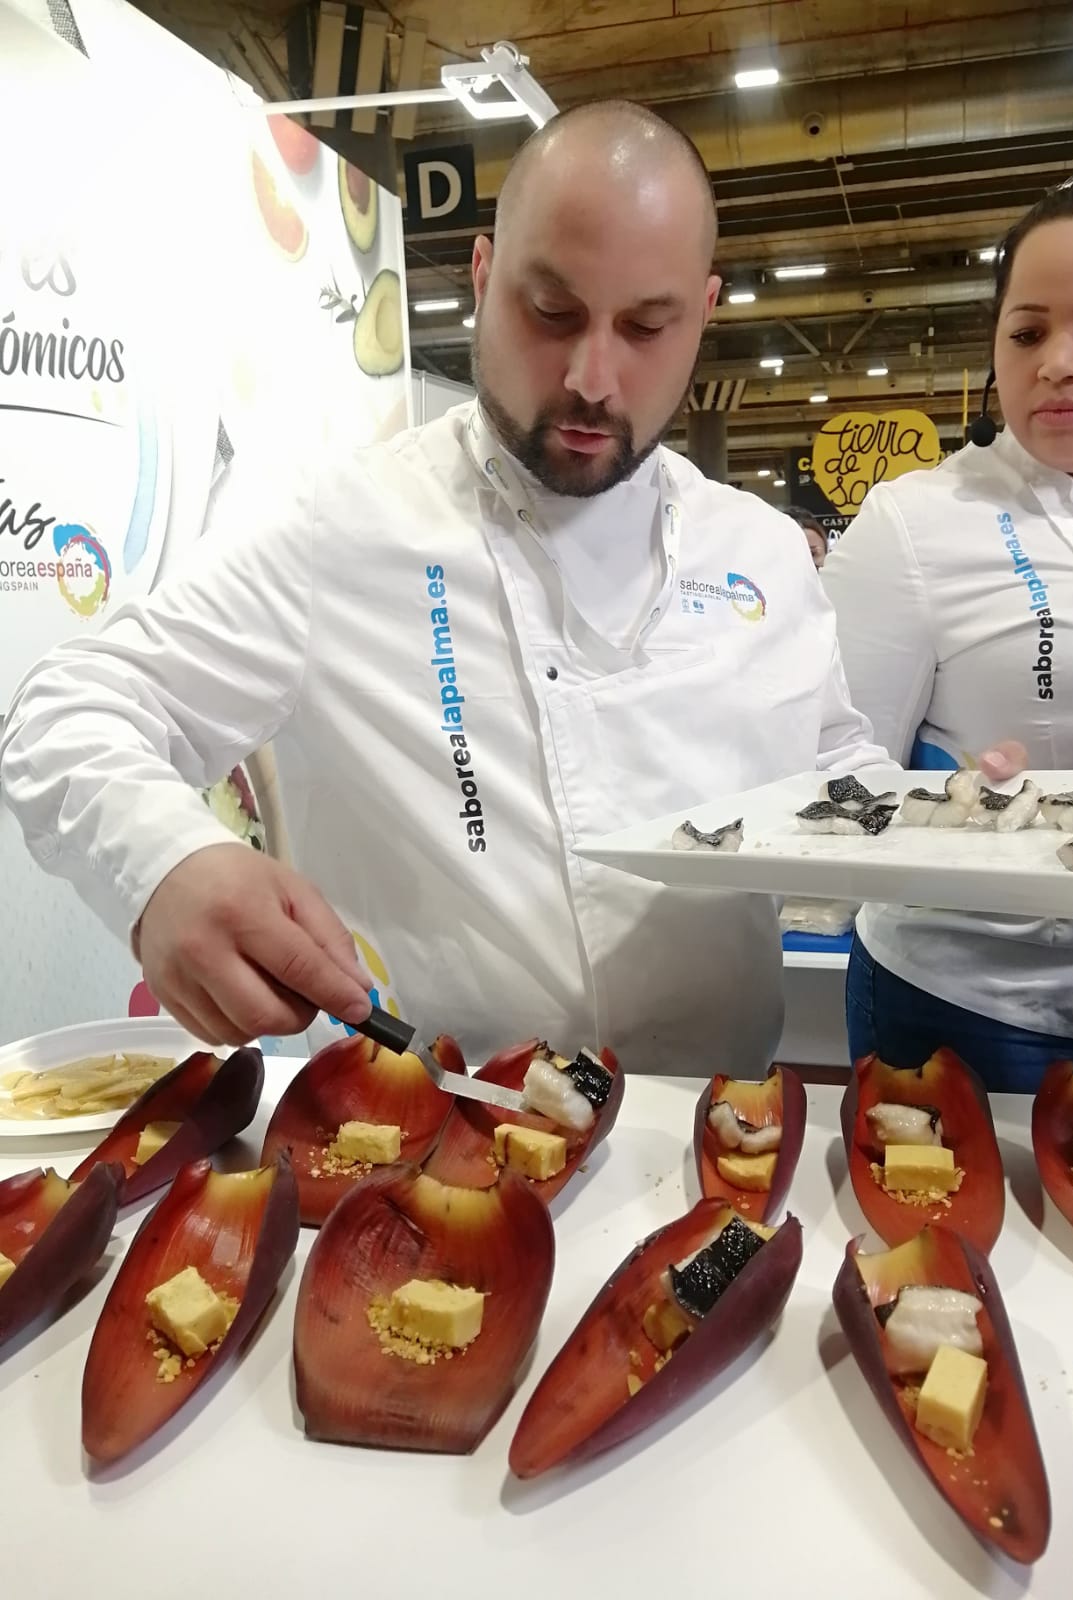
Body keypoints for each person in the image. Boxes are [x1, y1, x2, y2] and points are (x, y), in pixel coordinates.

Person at [0, 100, 888, 1075]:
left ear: (704, 313)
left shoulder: (762, 552)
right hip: (431, 1123)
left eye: (646, 326)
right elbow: (68, 707)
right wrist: (165, 863)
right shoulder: (342, 525)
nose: (594, 376)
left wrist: (976, 814)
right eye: (551, 312)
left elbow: (835, 769)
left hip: (718, 1128)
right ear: (481, 274)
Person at [822, 173, 1073, 1091]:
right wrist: (946, 808)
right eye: (1027, 333)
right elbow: (831, 757)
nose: (1059, 362)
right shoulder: (917, 522)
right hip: (972, 997)